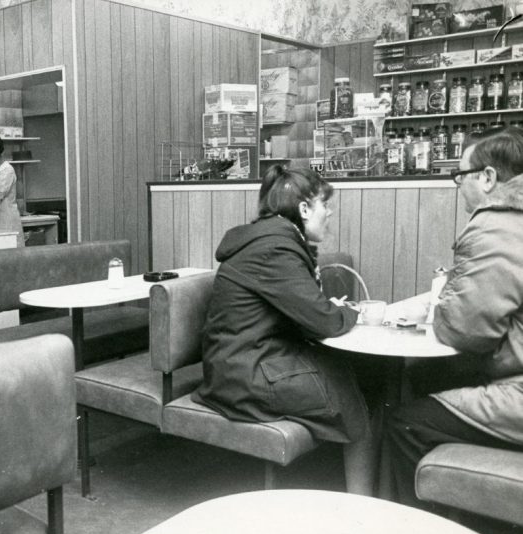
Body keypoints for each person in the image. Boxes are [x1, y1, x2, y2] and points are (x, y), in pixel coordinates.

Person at [192, 164, 379, 495]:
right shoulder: (275, 249)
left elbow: (308, 313)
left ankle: (370, 496)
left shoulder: (271, 239)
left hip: (242, 363)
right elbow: (324, 321)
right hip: (244, 375)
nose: (330, 212)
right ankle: (365, 508)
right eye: (325, 204)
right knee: (355, 403)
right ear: (304, 209)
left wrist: (335, 310)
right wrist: (354, 312)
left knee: (363, 378)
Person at [388, 128, 523, 509]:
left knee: (404, 423)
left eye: (459, 177)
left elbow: (464, 332)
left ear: (488, 178)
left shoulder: (498, 222)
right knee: (425, 376)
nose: (458, 186)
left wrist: (442, 303)